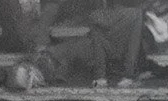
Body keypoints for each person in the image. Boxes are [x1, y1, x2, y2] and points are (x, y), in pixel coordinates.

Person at [10, 7, 151, 90]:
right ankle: (29, 74)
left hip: (59, 57)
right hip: (58, 58)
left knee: (47, 63)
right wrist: (101, 76)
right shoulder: (125, 23)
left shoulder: (105, 29)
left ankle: (28, 73)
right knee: (47, 64)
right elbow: (98, 53)